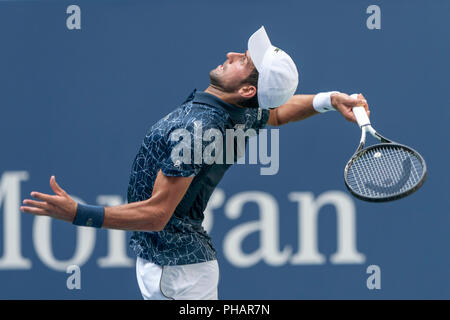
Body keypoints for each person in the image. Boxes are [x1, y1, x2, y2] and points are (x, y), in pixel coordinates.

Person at [20, 26, 369, 300]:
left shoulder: (199, 127)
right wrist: (329, 99)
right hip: (175, 268)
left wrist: (78, 214)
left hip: (177, 275)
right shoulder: (239, 112)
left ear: (248, 91)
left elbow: (158, 215)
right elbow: (278, 112)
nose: (231, 55)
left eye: (243, 61)